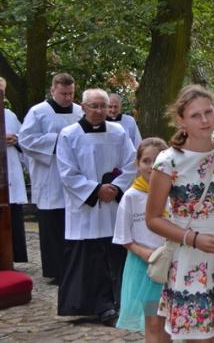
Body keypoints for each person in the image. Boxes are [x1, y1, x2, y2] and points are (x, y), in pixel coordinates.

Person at [146, 84, 214, 342]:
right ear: (180, 120)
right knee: (199, 337)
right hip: (189, 258)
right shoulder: (168, 161)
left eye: (208, 112)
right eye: (195, 115)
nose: (205, 120)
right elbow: (153, 218)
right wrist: (193, 238)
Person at [56, 88, 137, 325]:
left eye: (103, 106)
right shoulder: (69, 134)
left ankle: (117, 302)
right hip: (85, 208)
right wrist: (95, 190)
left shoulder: (118, 132)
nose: (100, 110)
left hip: (112, 205)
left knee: (114, 256)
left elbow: (131, 163)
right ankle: (96, 305)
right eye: (94, 106)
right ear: (83, 107)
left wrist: (116, 188)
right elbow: (67, 172)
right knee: (90, 259)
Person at [18, 72, 83, 283]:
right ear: (53, 90)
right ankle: (56, 270)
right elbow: (26, 139)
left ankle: (74, 267)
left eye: (71, 93)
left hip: (74, 174)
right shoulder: (38, 112)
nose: (68, 98)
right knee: (52, 225)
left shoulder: (80, 111)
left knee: (72, 223)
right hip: (50, 175)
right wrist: (58, 140)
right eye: (64, 93)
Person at [114, 137, 171, 341]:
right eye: (146, 161)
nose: (151, 166)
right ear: (137, 164)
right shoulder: (131, 197)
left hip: (173, 265)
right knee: (153, 321)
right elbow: (124, 237)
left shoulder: (174, 193)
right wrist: (145, 253)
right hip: (146, 270)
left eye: (157, 160)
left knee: (168, 322)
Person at [1, 77, 28, 262]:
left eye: (3, 93)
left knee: (13, 217)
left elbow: (24, 138)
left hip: (11, 172)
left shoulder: (9, 115)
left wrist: (16, 139)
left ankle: (11, 257)